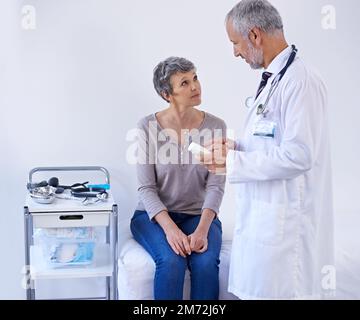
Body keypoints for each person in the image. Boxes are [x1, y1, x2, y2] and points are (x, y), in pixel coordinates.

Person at [200, 0, 334, 299]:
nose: (235, 52)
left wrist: (233, 161)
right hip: (266, 223)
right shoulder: (276, 78)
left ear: (255, 35)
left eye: (235, 43)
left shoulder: (301, 81)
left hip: (286, 231)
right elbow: (272, 140)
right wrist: (236, 147)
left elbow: (300, 155)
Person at [130, 57, 227, 300]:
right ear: (167, 94)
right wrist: (171, 231)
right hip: (153, 218)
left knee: (205, 264)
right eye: (184, 83)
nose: (195, 86)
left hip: (198, 216)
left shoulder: (216, 126)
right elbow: (146, 188)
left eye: (195, 78)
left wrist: (203, 229)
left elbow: (216, 185)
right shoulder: (146, 128)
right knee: (172, 262)